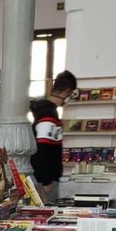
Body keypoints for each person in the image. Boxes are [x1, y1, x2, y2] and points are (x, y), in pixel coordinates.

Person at [29, 70, 77, 200]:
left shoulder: (47, 111)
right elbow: (42, 149)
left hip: (47, 176)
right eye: (70, 94)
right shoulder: (48, 114)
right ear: (67, 91)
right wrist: (45, 180)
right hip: (46, 179)